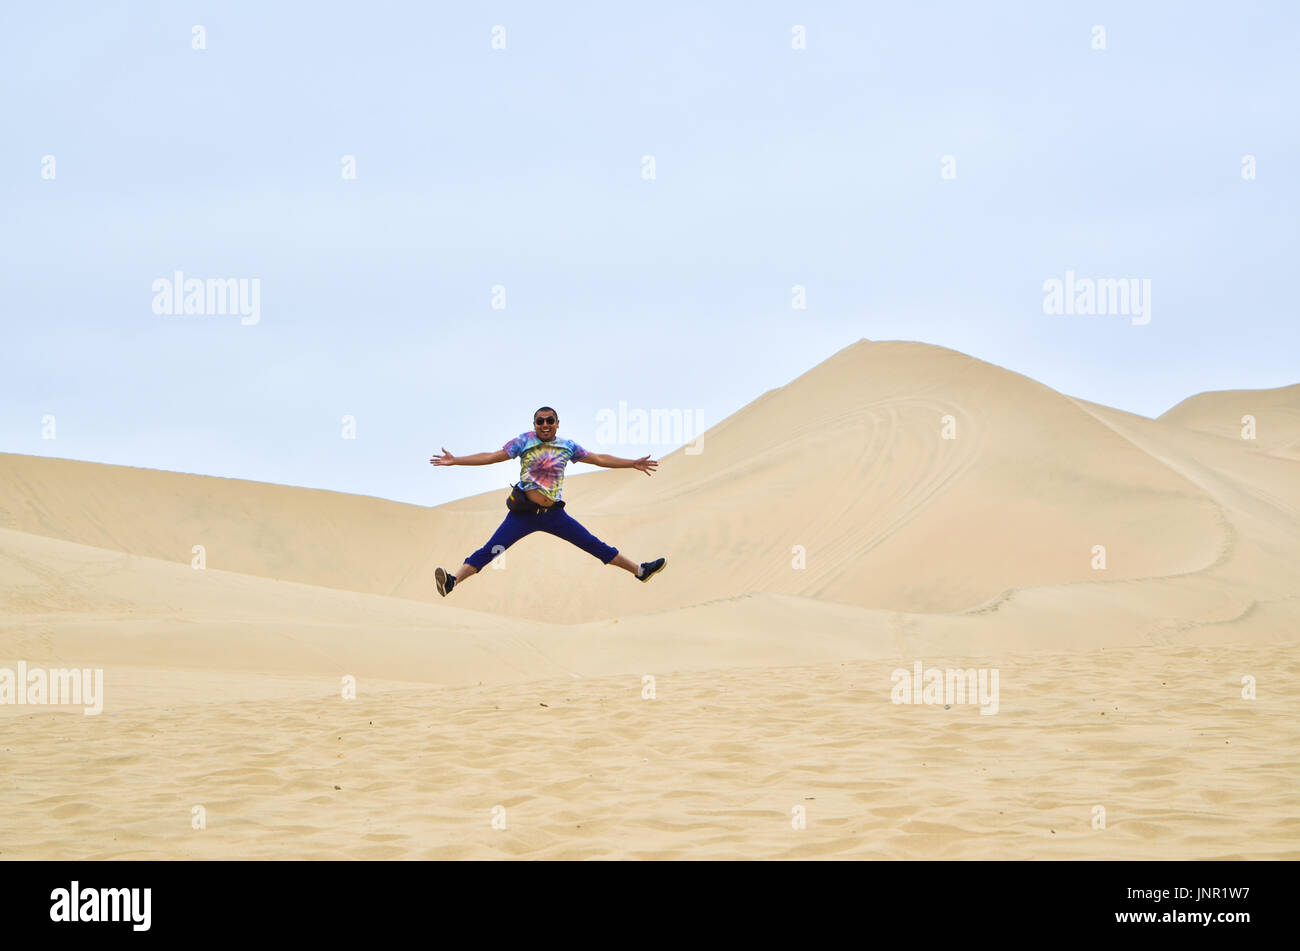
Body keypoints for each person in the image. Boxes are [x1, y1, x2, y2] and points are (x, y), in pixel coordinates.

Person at [429, 406, 667, 596]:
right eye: (540, 421)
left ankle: (640, 570)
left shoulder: (567, 446)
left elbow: (598, 458)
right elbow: (492, 456)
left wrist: (631, 462)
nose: (545, 424)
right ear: (534, 424)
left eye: (549, 420)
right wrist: (456, 460)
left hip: (553, 515)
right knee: (491, 549)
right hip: (523, 514)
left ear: (557, 423)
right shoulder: (523, 441)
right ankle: (452, 582)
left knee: (593, 544)